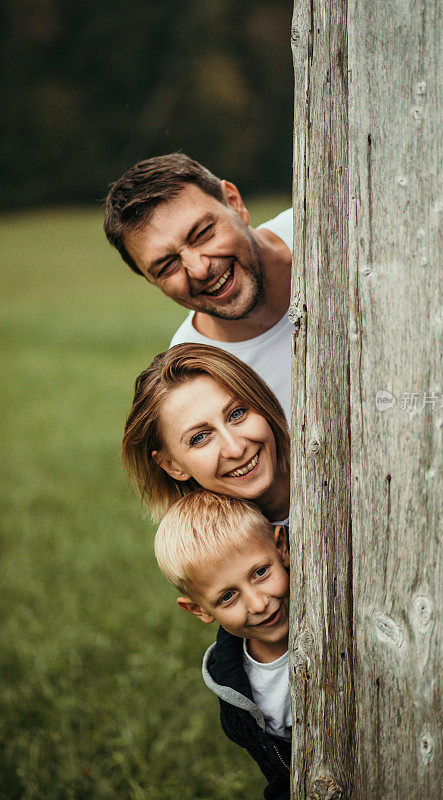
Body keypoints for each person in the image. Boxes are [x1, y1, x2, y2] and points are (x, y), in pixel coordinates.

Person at [104, 153, 293, 419]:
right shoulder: (193, 379)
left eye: (202, 233)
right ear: (150, 280)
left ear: (234, 202)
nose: (200, 269)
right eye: (167, 265)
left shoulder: (336, 226)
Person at [155, 490, 291, 800]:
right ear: (199, 610)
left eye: (260, 572)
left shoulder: (340, 614)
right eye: (227, 596)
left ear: (280, 547)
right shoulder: (236, 693)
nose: (258, 604)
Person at [122, 343, 290, 522]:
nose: (236, 449)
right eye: (200, 438)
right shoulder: (200, 547)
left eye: (237, 413)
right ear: (172, 466)